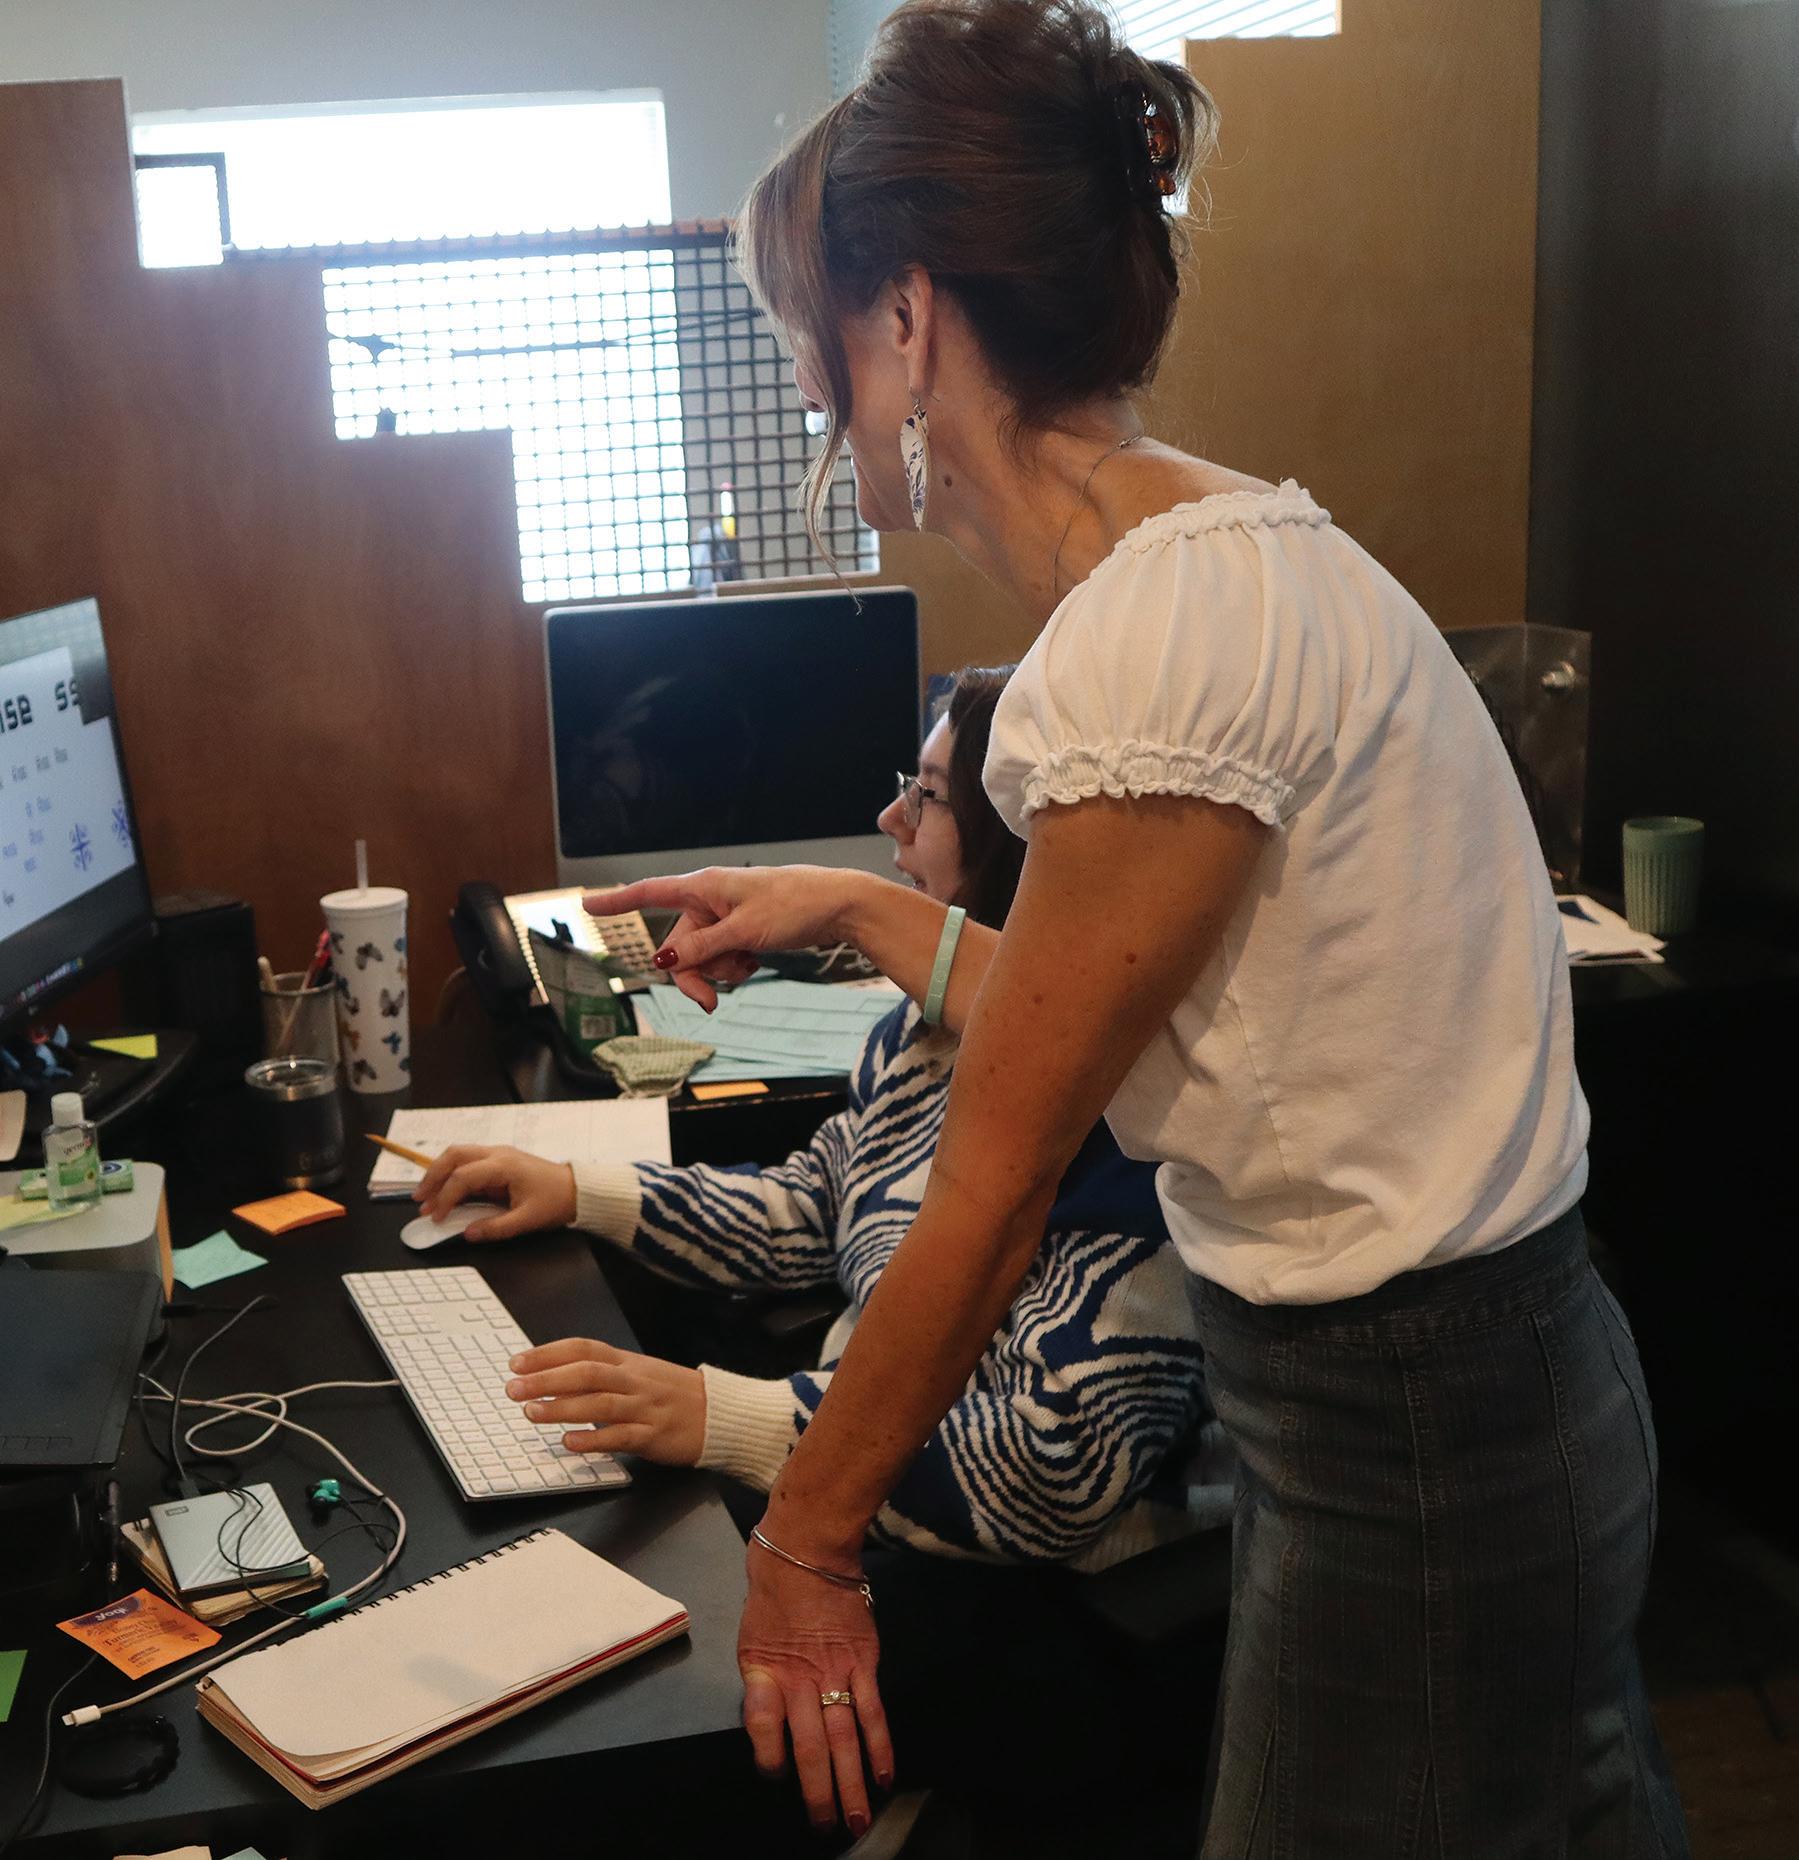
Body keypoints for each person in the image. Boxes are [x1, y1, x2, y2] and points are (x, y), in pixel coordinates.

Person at [577, 3, 1693, 1855]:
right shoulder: (1236, 553)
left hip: (1408, 1437)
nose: (814, 398)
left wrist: (806, 1543)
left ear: (907, 321)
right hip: (1492, 1394)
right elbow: (1147, 1022)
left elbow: (997, 1173)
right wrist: (850, 903)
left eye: (809, 340)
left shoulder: (1144, 645)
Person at [415, 670, 1214, 1794]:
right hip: (847, 1499)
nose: (892, 818)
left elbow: (1054, 1466)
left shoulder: (1130, 1122)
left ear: (1019, 847)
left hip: (1026, 1594)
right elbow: (813, 1206)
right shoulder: (920, 1035)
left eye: (926, 796)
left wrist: (724, 1418)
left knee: (571, 1737)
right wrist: (585, 1192)